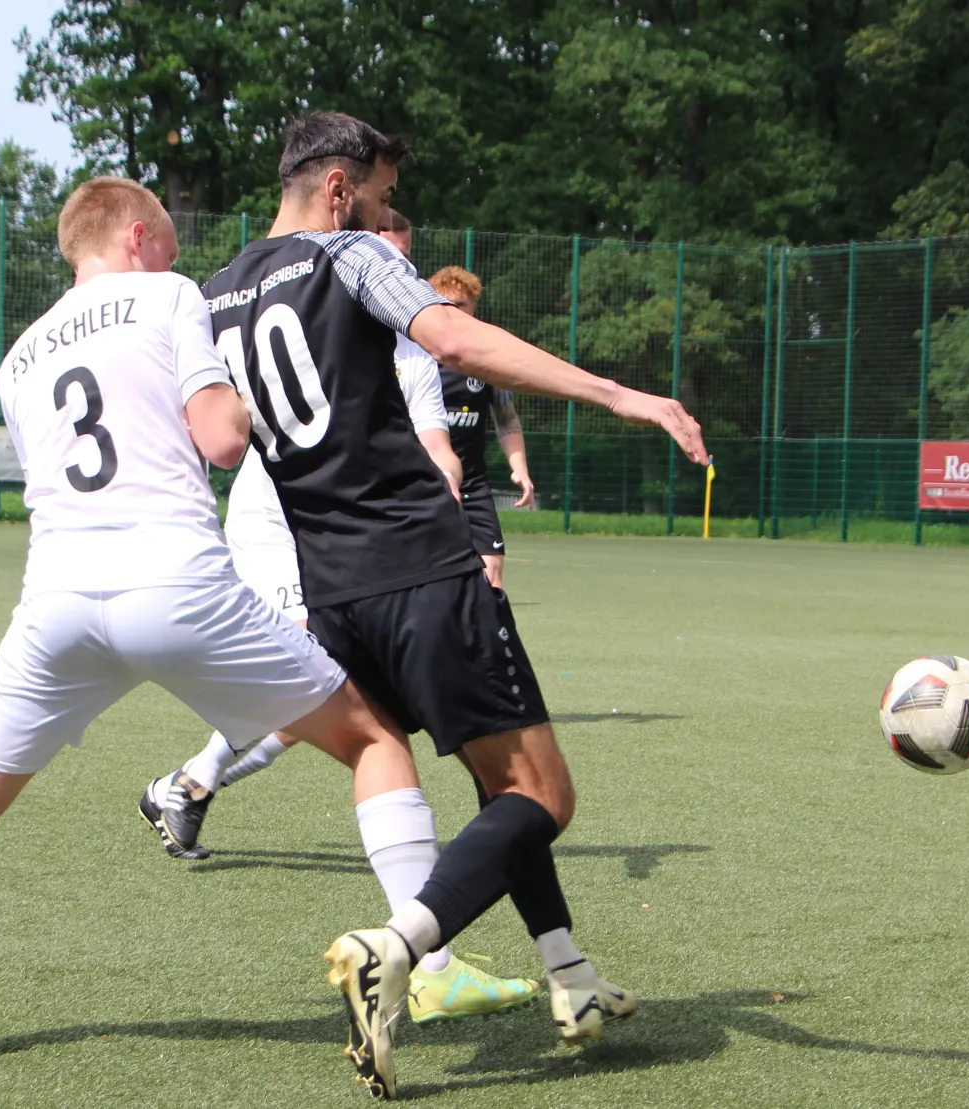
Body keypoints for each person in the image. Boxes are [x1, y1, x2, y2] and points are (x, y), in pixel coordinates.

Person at [0, 177, 434, 1077]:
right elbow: (220, 439)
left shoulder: (17, 358)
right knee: (375, 737)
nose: (177, 260)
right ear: (138, 236)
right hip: (176, 584)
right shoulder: (170, 296)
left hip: (57, 602)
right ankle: (436, 965)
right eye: (171, 243)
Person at [202, 111, 705, 1098]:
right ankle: (397, 946)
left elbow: (218, 436)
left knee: (489, 779)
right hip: (424, 567)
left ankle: (569, 977)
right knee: (541, 795)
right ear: (340, 188)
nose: (396, 223)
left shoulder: (214, 292)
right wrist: (616, 394)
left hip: (331, 588)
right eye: (386, 196)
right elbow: (454, 341)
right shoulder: (348, 251)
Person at [137, 214, 539, 1028]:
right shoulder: (349, 304)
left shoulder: (380, 330)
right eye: (391, 252)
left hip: (336, 535)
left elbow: (438, 447)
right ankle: (425, 961)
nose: (403, 272)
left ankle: (188, 787)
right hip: (297, 529)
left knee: (353, 708)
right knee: (343, 704)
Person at [425, 266, 534, 589]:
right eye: (445, 305)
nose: (453, 313)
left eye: (461, 306)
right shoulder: (416, 357)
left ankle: (489, 634)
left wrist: (520, 470)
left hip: (472, 482)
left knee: (492, 566)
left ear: (474, 308)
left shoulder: (486, 362)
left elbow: (506, 418)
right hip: (423, 482)